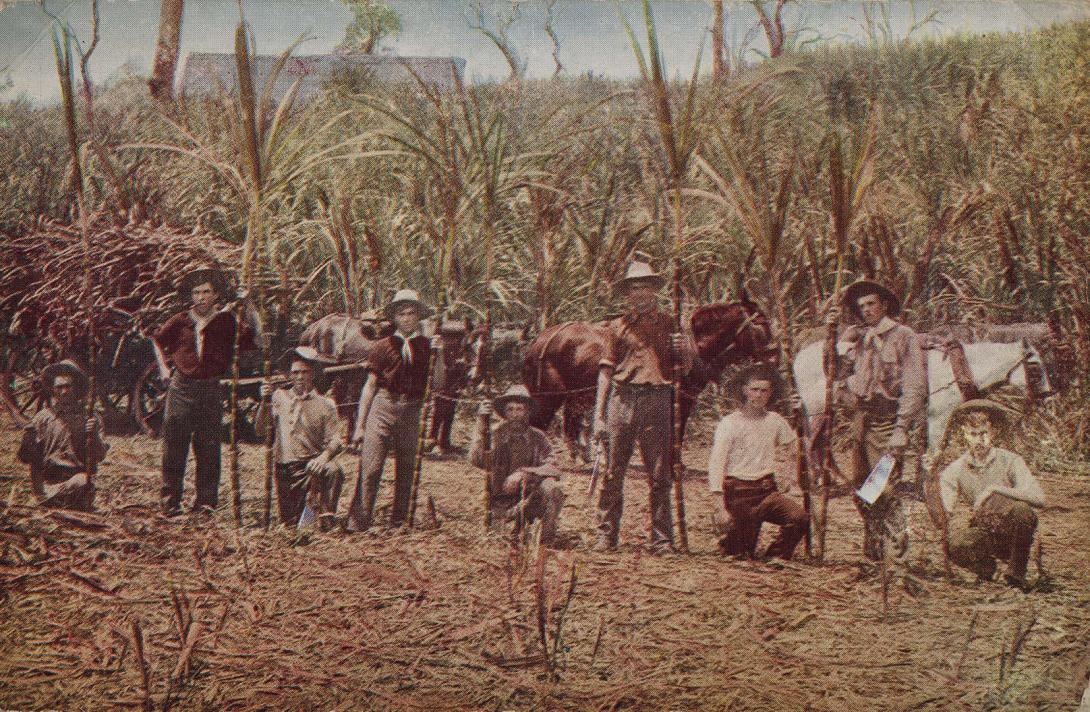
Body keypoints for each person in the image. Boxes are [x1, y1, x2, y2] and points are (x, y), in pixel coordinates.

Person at [591, 259, 696, 554]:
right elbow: (606, 371)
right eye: (634, 288)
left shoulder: (670, 324)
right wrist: (599, 415)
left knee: (660, 473)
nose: (640, 293)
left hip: (658, 400)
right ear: (627, 293)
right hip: (622, 399)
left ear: (654, 291)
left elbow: (685, 369)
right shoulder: (616, 327)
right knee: (613, 471)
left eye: (645, 287)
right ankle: (606, 535)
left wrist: (683, 350)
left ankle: (661, 539)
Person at [827, 279, 927, 562]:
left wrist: (901, 429)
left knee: (883, 485)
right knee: (860, 488)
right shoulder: (859, 338)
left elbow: (915, 385)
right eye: (861, 306)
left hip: (887, 419)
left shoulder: (903, 336)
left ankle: (896, 553)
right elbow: (834, 374)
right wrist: (836, 340)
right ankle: (875, 548)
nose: (866, 310)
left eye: (871, 303)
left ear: (883, 305)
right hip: (861, 420)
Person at [154, 267, 258, 516]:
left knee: (209, 447)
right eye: (197, 292)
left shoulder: (226, 321)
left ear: (215, 296)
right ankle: (170, 503)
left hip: (210, 389)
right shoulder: (181, 320)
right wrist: (164, 368)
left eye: (206, 292)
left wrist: (249, 303)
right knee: (174, 446)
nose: (201, 297)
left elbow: (253, 336)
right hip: (182, 387)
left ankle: (205, 504)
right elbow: (157, 340)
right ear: (191, 296)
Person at [346, 289, 445, 531]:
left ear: (418, 317)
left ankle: (399, 521)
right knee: (371, 467)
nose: (407, 318)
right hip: (383, 405)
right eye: (402, 314)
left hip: (411, 410)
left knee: (407, 468)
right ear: (395, 318)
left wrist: (439, 354)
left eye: (412, 313)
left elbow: (439, 383)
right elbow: (369, 387)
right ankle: (357, 522)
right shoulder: (382, 346)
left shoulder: (427, 347)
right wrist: (359, 425)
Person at [938, 399, 1045, 590]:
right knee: (954, 545)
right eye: (973, 434)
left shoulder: (1010, 460)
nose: (979, 440)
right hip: (985, 531)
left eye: (984, 434)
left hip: (1013, 531)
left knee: (1022, 511)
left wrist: (995, 489)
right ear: (965, 434)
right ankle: (989, 570)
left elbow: (1039, 498)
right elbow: (945, 510)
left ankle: (1016, 574)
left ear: (993, 432)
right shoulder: (955, 469)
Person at [707, 364, 808, 560]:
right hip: (739, 494)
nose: (759, 395)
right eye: (754, 390)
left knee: (799, 518)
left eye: (764, 391)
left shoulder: (775, 420)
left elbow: (794, 447)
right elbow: (716, 464)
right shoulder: (730, 423)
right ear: (745, 390)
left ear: (770, 393)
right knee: (743, 554)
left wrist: (791, 477)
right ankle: (730, 539)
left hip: (767, 491)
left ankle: (776, 556)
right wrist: (719, 505)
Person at [255, 347, 344, 528]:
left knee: (333, 470)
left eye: (305, 372)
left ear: (313, 374)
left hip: (312, 469)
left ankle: (324, 518)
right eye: (296, 372)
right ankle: (301, 519)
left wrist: (323, 457)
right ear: (290, 375)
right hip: (286, 470)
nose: (300, 377)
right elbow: (259, 430)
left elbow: (336, 440)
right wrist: (264, 401)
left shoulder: (325, 404)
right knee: (290, 526)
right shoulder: (278, 397)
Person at [469, 384, 566, 547]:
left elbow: (553, 467)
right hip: (502, 508)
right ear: (504, 413)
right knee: (505, 543)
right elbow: (477, 460)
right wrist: (480, 426)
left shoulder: (538, 438)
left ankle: (545, 544)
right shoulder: (495, 435)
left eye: (519, 409)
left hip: (531, 504)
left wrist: (524, 474)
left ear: (528, 412)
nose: (515, 415)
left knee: (552, 487)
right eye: (510, 410)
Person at [17, 360, 104, 511]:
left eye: (68, 386)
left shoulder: (90, 417)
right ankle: (51, 499)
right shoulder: (42, 418)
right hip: (48, 484)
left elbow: (100, 456)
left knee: (83, 482)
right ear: (53, 389)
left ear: (75, 388)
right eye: (59, 387)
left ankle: (68, 501)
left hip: (79, 480)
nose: (64, 391)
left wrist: (94, 434)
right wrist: (28, 440)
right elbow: (25, 457)